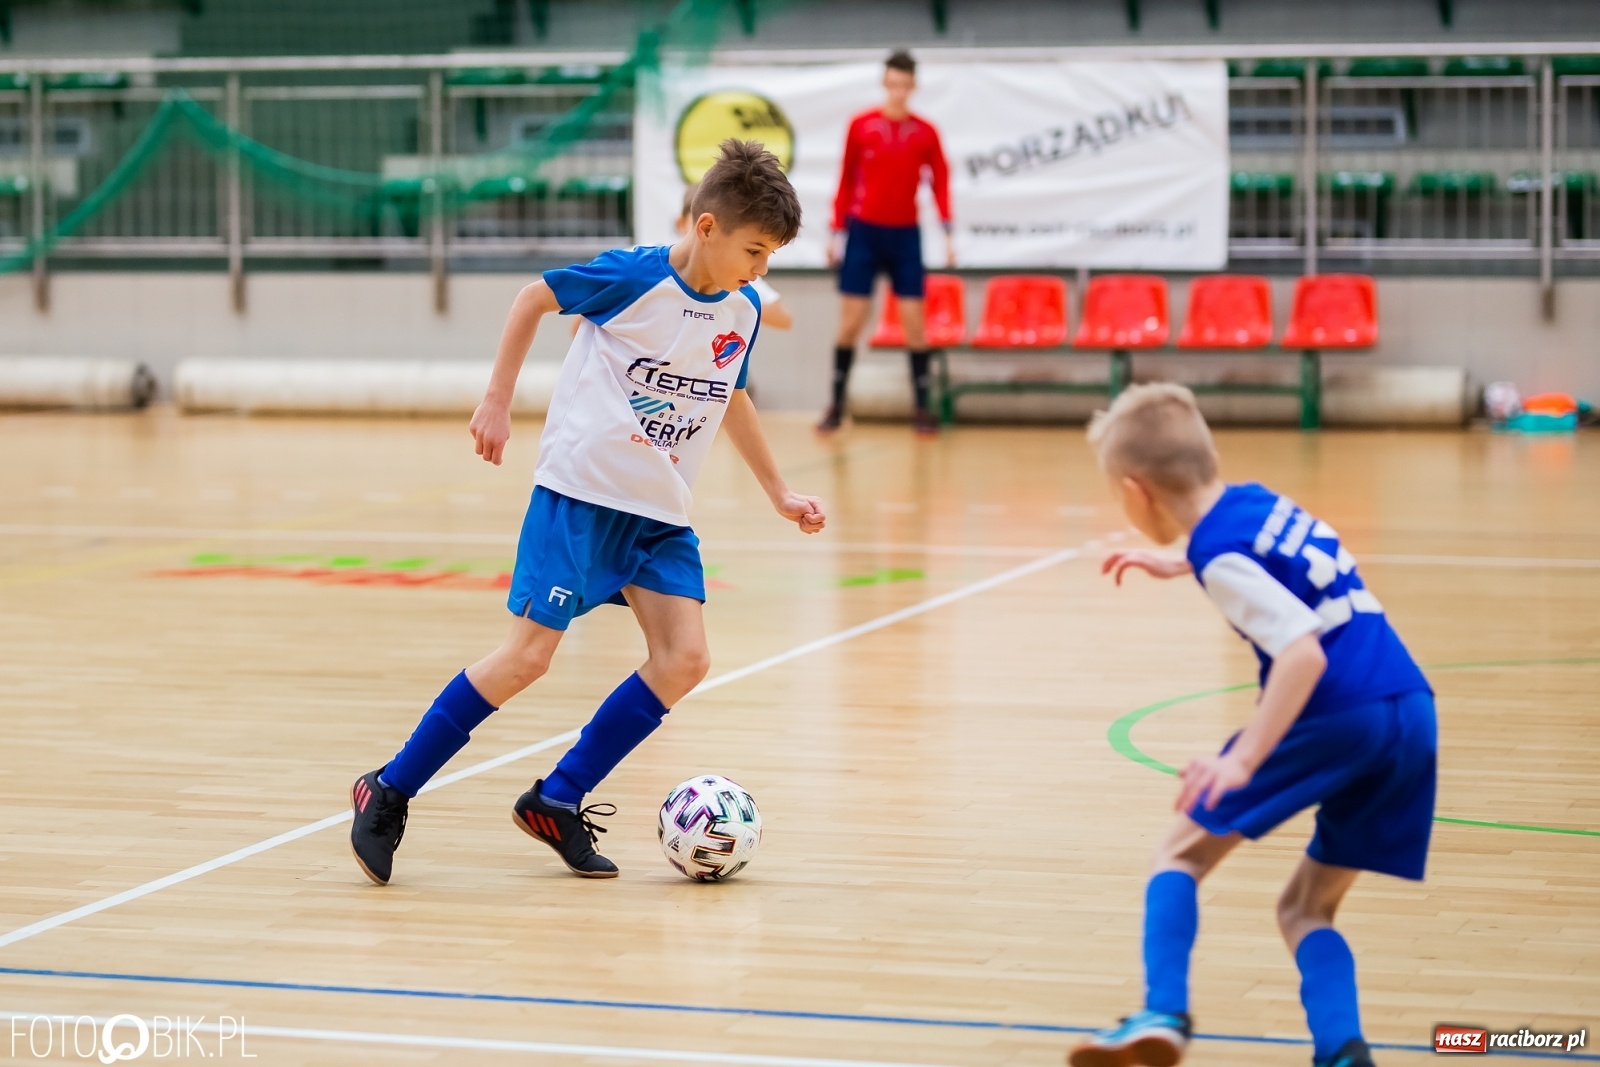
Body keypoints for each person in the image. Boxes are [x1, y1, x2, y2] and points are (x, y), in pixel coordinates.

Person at [349, 140, 824, 885]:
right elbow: (531, 299)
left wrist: (779, 492)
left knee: (685, 659)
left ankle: (557, 798)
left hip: (659, 512)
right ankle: (389, 786)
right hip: (580, 496)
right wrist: (497, 400)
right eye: (755, 250)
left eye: (771, 256)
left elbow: (730, 395)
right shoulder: (631, 277)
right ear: (706, 228)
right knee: (527, 658)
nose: (761, 269)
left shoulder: (743, 307)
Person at [1070, 384, 1436, 1067]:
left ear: (1136, 492)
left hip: (1337, 707)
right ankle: (1343, 1051)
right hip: (1410, 709)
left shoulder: (1219, 553)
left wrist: (1240, 760)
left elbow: (1301, 651)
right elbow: (1273, 560)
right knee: (1305, 908)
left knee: (1178, 853)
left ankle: (1163, 1011)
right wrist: (1180, 562)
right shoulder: (1255, 502)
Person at [819, 48, 953, 436]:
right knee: (850, 324)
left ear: (913, 86)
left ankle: (922, 409)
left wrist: (947, 234)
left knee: (915, 325)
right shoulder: (861, 126)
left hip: (905, 235)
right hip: (863, 232)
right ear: (884, 83)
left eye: (904, 85)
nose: (898, 91)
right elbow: (845, 180)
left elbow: (940, 183)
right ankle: (836, 406)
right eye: (892, 84)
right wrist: (835, 233)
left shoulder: (925, 132)